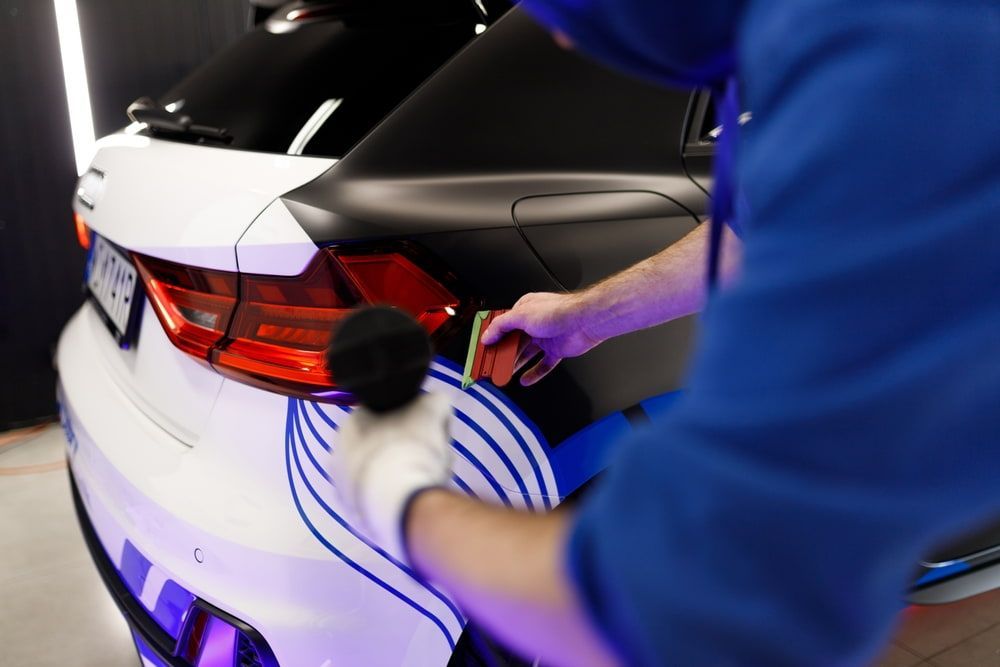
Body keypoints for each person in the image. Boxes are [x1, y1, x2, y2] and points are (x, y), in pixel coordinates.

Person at [328, 1, 1000, 665]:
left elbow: (680, 601)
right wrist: (588, 314)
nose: (564, 38)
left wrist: (399, 492)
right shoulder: (809, 51)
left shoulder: (897, 59)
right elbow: (760, 225)